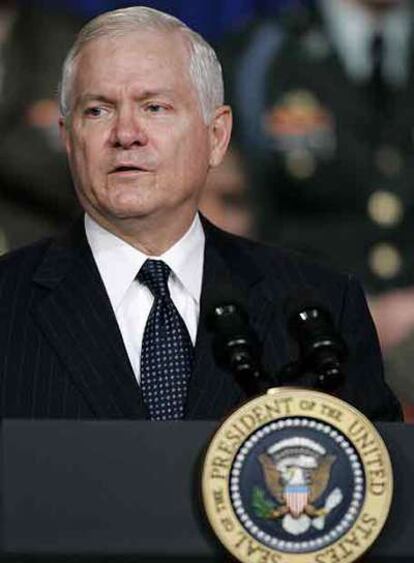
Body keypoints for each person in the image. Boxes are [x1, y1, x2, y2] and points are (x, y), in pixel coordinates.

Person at [0, 6, 401, 421]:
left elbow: (380, 476)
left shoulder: (322, 310)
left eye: (154, 107)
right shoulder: (6, 305)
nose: (126, 135)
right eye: (98, 111)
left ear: (217, 135)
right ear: (68, 139)